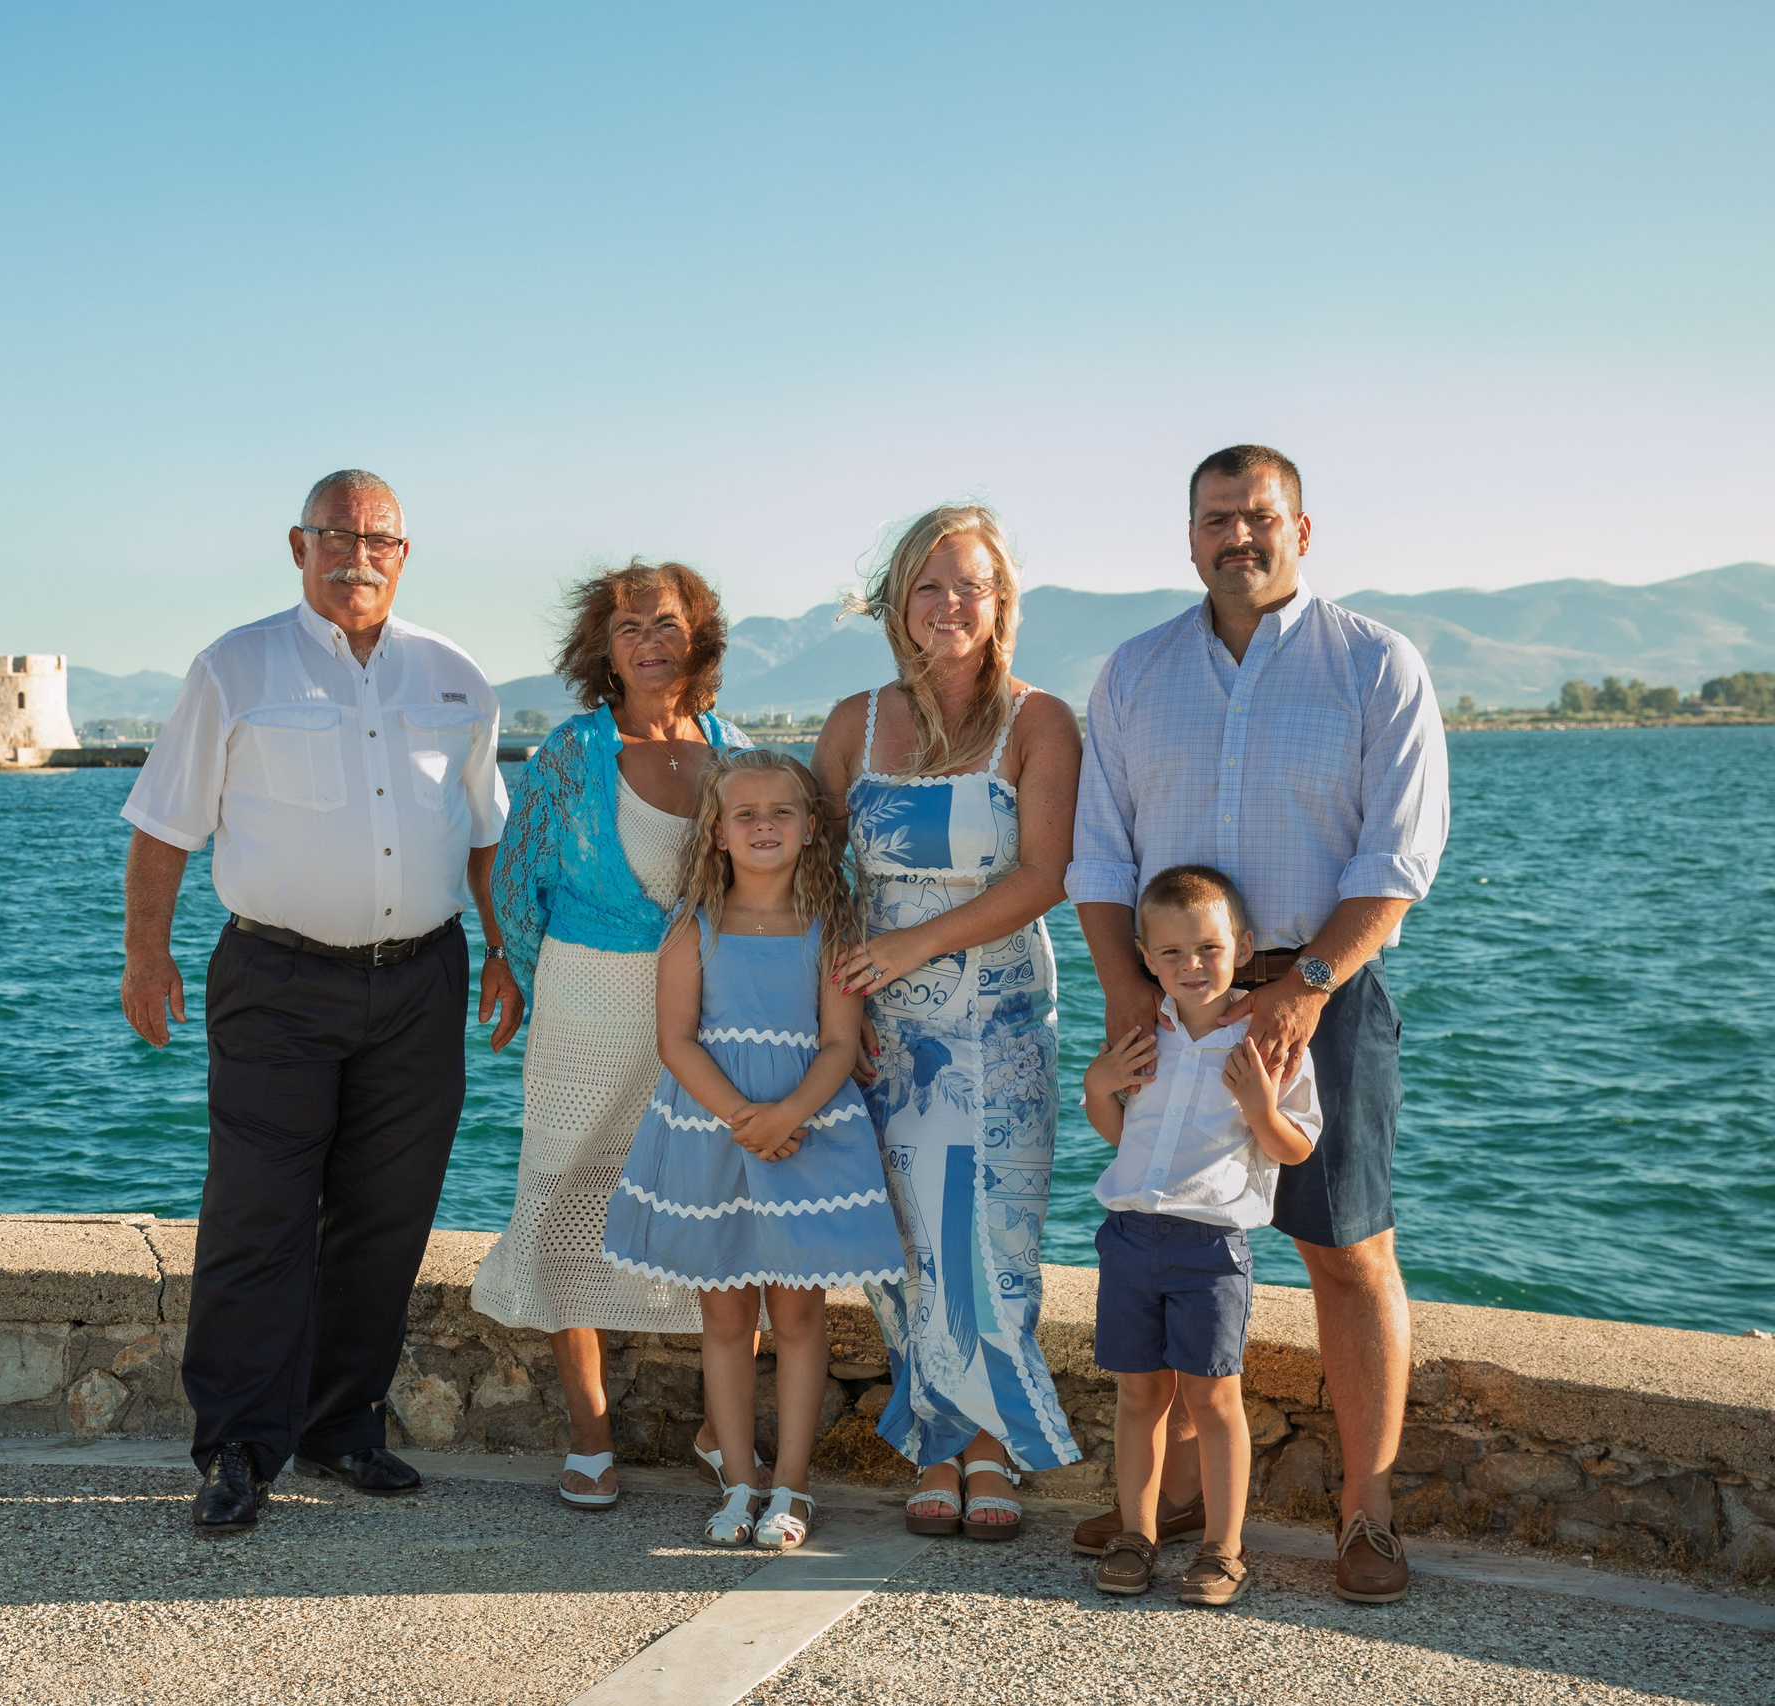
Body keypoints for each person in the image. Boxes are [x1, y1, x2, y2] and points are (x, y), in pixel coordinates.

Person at [1068, 444, 1449, 1604]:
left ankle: (1365, 1517)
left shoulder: (1376, 663)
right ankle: (1173, 1499)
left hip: (1318, 994)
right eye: (1216, 517)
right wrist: (1126, 996)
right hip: (1170, 1007)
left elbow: (1398, 855)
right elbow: (1100, 853)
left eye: (1259, 515)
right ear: (1189, 535)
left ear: (1302, 529)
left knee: (1346, 1249)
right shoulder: (1133, 673)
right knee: (1176, 1234)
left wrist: (1305, 985)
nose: (1238, 535)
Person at [118, 469, 523, 1535]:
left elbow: (486, 836)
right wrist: (143, 957)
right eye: (335, 534)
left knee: (386, 1218)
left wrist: (504, 950)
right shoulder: (234, 666)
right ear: (296, 545)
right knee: (257, 1211)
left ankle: (342, 1426)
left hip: (422, 978)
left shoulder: (456, 677)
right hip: (277, 979)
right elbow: (164, 825)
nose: (357, 553)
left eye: (378, 537)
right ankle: (240, 1447)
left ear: (404, 552)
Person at [813, 503, 1085, 1539]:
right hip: (880, 1028)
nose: (947, 604)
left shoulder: (1039, 719)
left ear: (999, 598)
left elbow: (1045, 873)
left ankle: (990, 1444)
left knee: (993, 1237)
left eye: (967, 583)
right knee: (904, 1237)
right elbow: (812, 872)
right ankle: (935, 1433)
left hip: (1001, 1020)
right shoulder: (854, 722)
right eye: (927, 585)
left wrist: (918, 945)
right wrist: (835, 999)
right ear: (897, 603)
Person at [476, 560, 753, 1509]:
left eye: (664, 622)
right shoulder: (570, 751)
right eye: (627, 626)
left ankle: (724, 1429)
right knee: (564, 1185)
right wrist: (510, 965)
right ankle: (589, 1432)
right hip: (586, 1001)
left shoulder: (733, 749)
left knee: (725, 1200)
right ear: (603, 645)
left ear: (698, 636)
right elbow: (515, 877)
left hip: (715, 1009)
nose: (645, 641)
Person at [601, 749, 907, 1551]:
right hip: (715, 1136)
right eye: (746, 814)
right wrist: (747, 1117)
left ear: (811, 829)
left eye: (781, 813)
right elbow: (676, 1041)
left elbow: (840, 1044)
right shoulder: (693, 927)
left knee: (802, 1314)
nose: (764, 825)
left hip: (809, 1133)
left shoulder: (833, 926)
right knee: (728, 1315)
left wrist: (789, 1115)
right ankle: (741, 1479)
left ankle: (794, 1488)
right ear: (718, 832)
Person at [1083, 865, 1321, 1607]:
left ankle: (1223, 1548)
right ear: (1147, 957)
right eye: (1174, 953)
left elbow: (1296, 1148)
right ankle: (1138, 1533)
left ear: (1243, 948)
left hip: (1211, 1247)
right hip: (1128, 1236)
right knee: (1138, 1396)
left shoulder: (1266, 1040)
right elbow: (1119, 1133)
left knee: (1215, 1399)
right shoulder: (1140, 1031)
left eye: (1210, 950)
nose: (1193, 966)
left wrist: (1259, 1107)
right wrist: (1097, 1087)